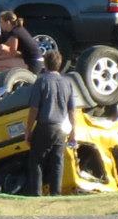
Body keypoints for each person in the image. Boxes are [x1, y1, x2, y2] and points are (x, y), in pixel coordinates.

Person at [25, 48, 80, 196]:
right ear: (60, 64)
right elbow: (72, 110)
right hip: (61, 128)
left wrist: (28, 130)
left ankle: (36, 193)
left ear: (45, 64)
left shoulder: (42, 81)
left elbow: (34, 109)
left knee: (36, 160)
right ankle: (56, 193)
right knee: (57, 161)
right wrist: (74, 131)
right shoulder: (67, 82)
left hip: (45, 125)